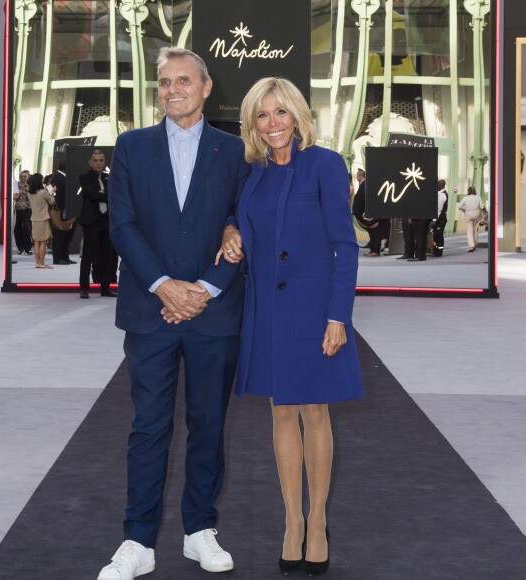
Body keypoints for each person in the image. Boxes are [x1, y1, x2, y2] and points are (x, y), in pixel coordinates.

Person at [97, 47, 249, 580]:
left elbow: (243, 224)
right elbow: (122, 225)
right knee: (149, 426)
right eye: (164, 82)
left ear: (206, 87)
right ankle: (137, 540)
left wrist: (204, 289)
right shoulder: (132, 146)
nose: (172, 90)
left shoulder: (235, 151)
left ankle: (199, 530)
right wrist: (164, 287)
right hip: (149, 310)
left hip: (214, 311)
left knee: (208, 426)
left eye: (183, 80)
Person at [218, 77, 364, 576]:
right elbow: (237, 219)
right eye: (262, 115)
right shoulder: (252, 172)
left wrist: (338, 315)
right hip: (265, 309)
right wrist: (230, 229)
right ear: (251, 123)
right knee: (281, 413)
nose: (272, 123)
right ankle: (292, 523)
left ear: (298, 115)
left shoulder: (325, 164)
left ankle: (318, 521)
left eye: (280, 112)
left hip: (314, 307)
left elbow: (345, 245)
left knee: (314, 413)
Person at [78, 149, 116, 298]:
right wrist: (106, 196)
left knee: (107, 255)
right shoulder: (85, 177)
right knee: (88, 255)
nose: (98, 163)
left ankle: (105, 287)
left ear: (104, 162)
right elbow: (90, 194)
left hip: (106, 221)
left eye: (101, 160)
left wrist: (103, 196)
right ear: (90, 162)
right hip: (91, 221)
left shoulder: (108, 178)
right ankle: (84, 288)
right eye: (96, 160)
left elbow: (113, 195)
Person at [351, 168, 390, 255]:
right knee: (373, 232)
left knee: (374, 232)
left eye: (357, 175)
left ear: (360, 176)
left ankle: (375, 251)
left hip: (368, 214)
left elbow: (363, 200)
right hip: (368, 214)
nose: (356, 177)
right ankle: (374, 250)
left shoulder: (365, 185)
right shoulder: (365, 184)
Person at [51, 161, 77, 266]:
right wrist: (61, 211)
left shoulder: (64, 177)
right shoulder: (57, 177)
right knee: (59, 235)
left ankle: (65, 257)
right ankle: (57, 258)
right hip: (61, 211)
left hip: (68, 210)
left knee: (67, 235)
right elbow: (57, 196)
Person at [28, 172, 55, 269]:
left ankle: (37, 263)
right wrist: (52, 193)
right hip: (43, 219)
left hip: (34, 219)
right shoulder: (43, 192)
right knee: (43, 242)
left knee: (36, 242)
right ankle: (42, 263)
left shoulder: (29, 193)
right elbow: (52, 201)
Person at [457, 185, 484, 252]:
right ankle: (474, 244)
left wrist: (464, 210)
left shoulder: (465, 198)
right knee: (475, 230)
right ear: (475, 191)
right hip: (477, 213)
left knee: (469, 230)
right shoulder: (478, 197)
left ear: (468, 191)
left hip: (468, 213)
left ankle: (471, 246)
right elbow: (482, 206)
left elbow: (460, 207)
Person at [12, 169, 32, 256]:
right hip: (17, 210)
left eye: (25, 176)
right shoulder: (16, 186)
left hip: (27, 210)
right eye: (21, 176)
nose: (23, 178)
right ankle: (20, 248)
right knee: (17, 229)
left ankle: (28, 248)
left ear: (28, 177)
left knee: (26, 229)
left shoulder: (30, 187)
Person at [431, 179, 448, 257]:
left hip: (440, 219)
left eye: (438, 184)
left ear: (442, 185)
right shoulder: (440, 194)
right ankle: (436, 250)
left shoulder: (442, 195)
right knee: (436, 235)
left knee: (439, 236)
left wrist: (434, 220)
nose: (437, 186)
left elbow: (439, 209)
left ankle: (438, 252)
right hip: (440, 218)